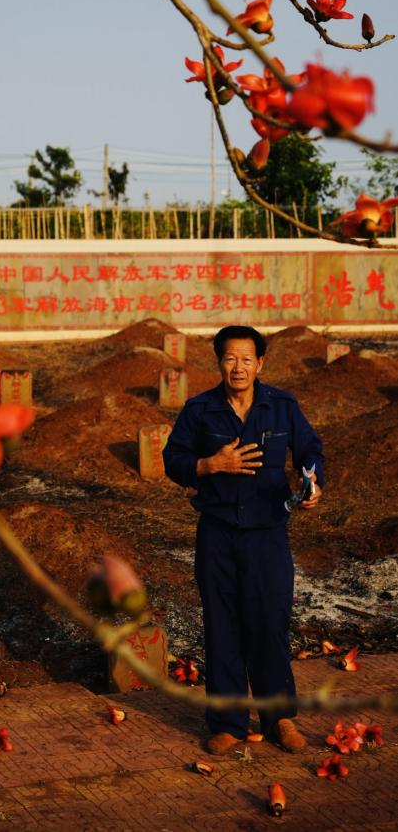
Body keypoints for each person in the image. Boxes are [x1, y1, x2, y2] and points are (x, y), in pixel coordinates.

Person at [163, 324, 323, 756]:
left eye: (247, 359)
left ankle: (280, 718)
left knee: (270, 624)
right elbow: (172, 460)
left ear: (260, 363)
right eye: (230, 358)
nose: (239, 367)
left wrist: (313, 482)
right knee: (222, 627)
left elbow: (310, 449)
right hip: (217, 534)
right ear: (219, 363)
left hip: (268, 535)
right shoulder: (201, 410)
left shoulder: (282, 407)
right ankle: (228, 722)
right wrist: (209, 464)